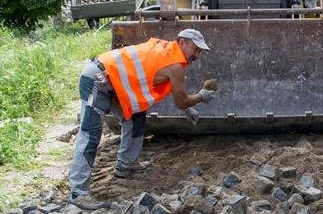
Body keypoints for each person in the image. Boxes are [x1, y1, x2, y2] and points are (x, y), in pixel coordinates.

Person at [69, 29, 215, 202]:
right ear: (182, 42)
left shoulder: (166, 50)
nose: (197, 54)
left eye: (200, 51)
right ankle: (78, 193)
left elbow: (162, 81)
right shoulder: (175, 64)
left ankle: (126, 164)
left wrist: (186, 109)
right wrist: (201, 97)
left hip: (113, 84)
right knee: (90, 134)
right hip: (98, 80)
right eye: (195, 49)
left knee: (136, 116)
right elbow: (181, 101)